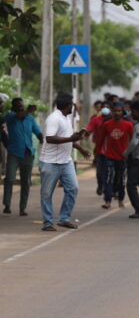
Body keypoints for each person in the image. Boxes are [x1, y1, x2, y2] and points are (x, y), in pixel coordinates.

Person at [39, 93, 91, 231]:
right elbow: (50, 138)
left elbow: (67, 137)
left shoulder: (66, 118)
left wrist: (80, 148)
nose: (73, 107)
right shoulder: (54, 119)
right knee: (46, 193)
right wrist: (70, 139)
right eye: (72, 104)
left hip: (65, 161)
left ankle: (64, 218)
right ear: (68, 105)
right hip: (50, 162)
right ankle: (48, 222)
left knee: (73, 188)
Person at [3, 98, 43, 216]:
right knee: (10, 178)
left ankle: (22, 208)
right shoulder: (9, 117)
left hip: (28, 154)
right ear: (13, 107)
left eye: (22, 105)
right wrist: (28, 111)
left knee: (26, 182)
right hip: (14, 153)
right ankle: (7, 205)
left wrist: (42, 139)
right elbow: (19, 116)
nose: (20, 107)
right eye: (18, 105)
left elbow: (37, 131)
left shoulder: (30, 119)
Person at [100, 102, 133, 210]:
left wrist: (130, 154)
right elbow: (101, 139)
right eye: (115, 111)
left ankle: (120, 200)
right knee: (109, 178)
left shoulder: (128, 125)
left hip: (123, 157)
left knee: (121, 180)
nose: (117, 113)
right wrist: (98, 153)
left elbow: (133, 140)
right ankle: (108, 201)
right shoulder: (107, 124)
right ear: (112, 112)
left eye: (119, 110)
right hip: (110, 156)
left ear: (122, 111)